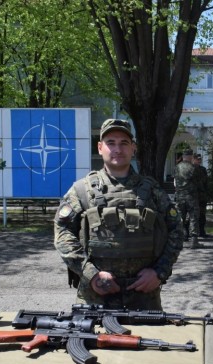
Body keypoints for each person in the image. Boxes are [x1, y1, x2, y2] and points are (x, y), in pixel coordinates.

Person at [53, 118, 183, 310]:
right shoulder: (81, 191)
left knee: (148, 340)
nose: (118, 149)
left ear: (133, 148)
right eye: (110, 143)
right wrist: (91, 274)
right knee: (91, 340)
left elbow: (176, 230)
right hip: (94, 297)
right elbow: (62, 232)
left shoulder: (153, 190)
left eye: (124, 143)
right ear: (100, 147)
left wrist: (159, 272)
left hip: (144, 297)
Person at [174, 148, 202, 249]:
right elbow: (199, 182)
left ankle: (179, 240)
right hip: (191, 197)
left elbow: (175, 181)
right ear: (190, 156)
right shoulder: (194, 168)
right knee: (193, 217)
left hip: (179, 196)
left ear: (183, 156)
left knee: (180, 218)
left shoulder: (177, 167)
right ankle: (194, 241)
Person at [192, 153, 209, 237]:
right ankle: (189, 233)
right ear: (193, 159)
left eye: (200, 159)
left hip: (202, 196)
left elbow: (206, 183)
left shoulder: (203, 169)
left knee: (202, 215)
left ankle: (202, 231)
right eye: (197, 159)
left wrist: (206, 194)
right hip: (193, 196)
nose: (199, 161)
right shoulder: (190, 169)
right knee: (192, 215)